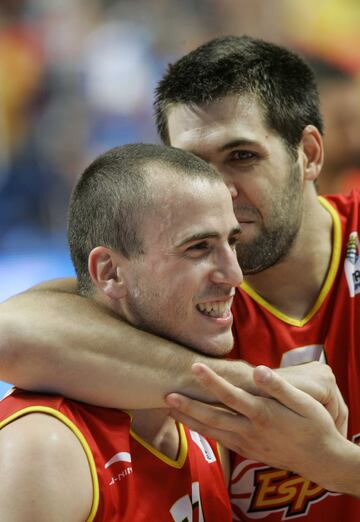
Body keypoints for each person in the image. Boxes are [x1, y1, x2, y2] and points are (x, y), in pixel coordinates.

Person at [0, 35, 358, 520]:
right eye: (196, 165)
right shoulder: (183, 303)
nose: (221, 191)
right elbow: (10, 335)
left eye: (242, 156)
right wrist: (245, 385)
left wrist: (333, 465)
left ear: (310, 154)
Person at [0, 143, 242, 521]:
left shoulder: (200, 421)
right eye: (198, 248)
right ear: (110, 272)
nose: (235, 276)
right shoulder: (44, 449)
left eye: (232, 242)